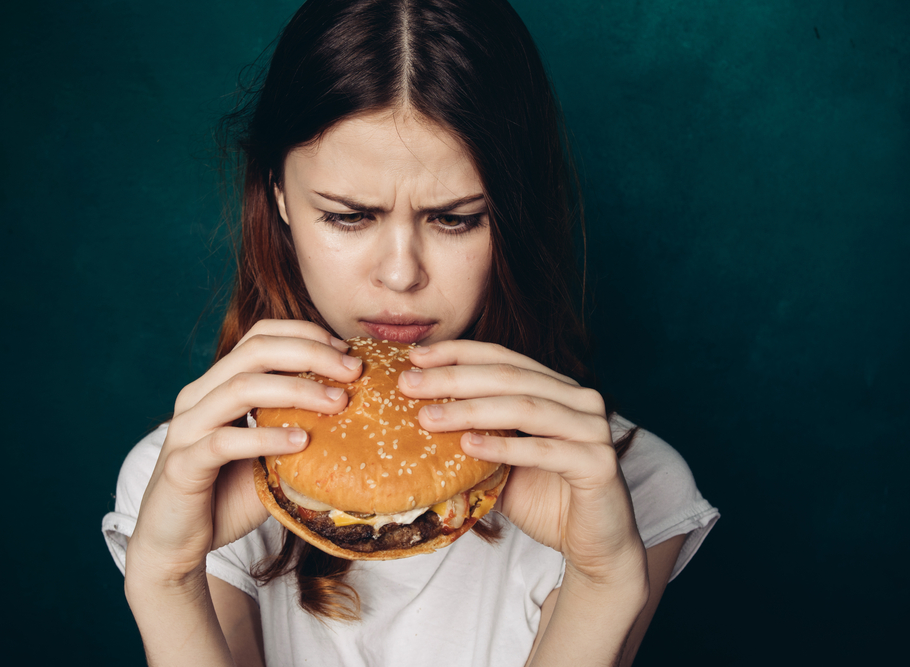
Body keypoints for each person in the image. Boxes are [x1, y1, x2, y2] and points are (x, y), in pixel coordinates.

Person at [101, 1, 719, 665]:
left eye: (455, 219)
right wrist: (165, 579)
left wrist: (602, 584)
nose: (400, 275)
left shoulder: (632, 482)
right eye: (347, 216)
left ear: (514, 213)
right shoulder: (191, 477)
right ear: (279, 193)